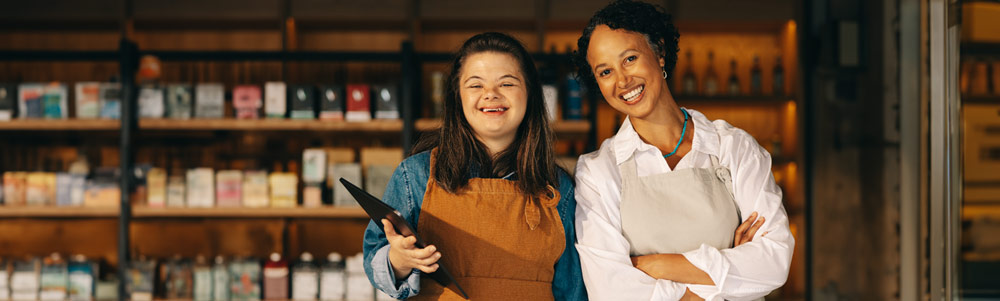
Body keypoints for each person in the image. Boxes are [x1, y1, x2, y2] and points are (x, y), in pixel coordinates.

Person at [572, 1, 795, 300]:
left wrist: (657, 265)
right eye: (605, 72)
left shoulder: (734, 147)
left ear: (659, 53)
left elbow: (775, 261)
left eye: (630, 59)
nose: (622, 81)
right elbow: (611, 291)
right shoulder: (598, 171)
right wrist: (729, 268)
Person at [362, 32, 587, 300]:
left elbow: (572, 291)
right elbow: (375, 258)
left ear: (530, 93)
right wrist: (398, 261)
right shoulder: (416, 175)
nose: (490, 95)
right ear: (457, 96)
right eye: (475, 85)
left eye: (507, 83)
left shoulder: (558, 187)